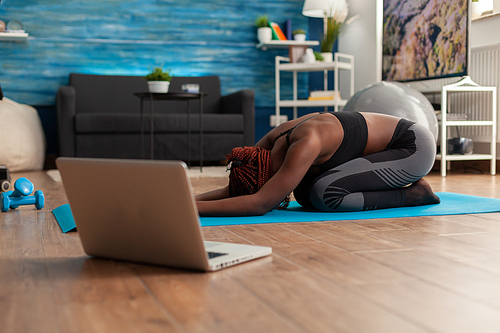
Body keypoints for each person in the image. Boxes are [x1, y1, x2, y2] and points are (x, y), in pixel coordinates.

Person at [196, 111, 440, 216]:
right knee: (304, 194)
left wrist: (192, 210)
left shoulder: (305, 145)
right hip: (388, 148)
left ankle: (414, 194)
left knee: (326, 194)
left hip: (413, 148)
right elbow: (236, 191)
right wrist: (185, 199)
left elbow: (259, 203)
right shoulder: (273, 141)